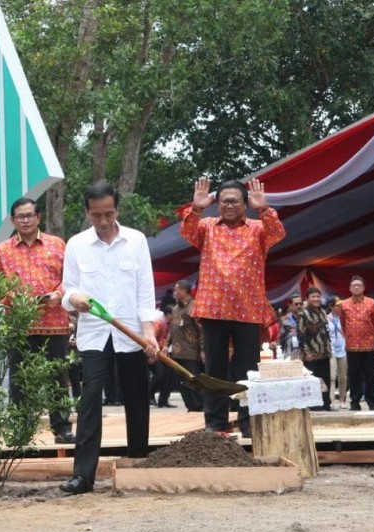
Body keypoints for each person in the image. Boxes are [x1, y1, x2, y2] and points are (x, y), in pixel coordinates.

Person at [59, 184, 159, 495]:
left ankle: (138, 464)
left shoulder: (136, 241)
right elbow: (67, 289)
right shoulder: (77, 244)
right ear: (87, 212)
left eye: (109, 213)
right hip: (94, 334)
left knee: (137, 399)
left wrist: (149, 333)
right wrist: (75, 299)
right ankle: (83, 476)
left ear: (117, 210)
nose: (102, 221)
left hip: (130, 333)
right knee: (90, 402)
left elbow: (146, 292)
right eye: (96, 215)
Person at [181, 177, 285, 435]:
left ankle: (248, 422)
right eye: (224, 201)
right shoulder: (206, 226)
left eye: (234, 201)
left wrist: (264, 208)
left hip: (248, 310)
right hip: (213, 310)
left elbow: (278, 233)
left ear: (245, 204)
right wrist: (196, 208)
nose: (229, 205)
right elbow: (186, 232)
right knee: (214, 369)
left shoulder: (259, 228)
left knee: (247, 369)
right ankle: (215, 423)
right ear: (218, 204)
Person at [0, 197, 74, 443]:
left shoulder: (58, 245)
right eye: (20, 216)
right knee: (20, 379)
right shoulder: (2, 251)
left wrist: (58, 294)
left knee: (57, 378)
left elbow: (70, 276)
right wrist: (14, 299)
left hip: (55, 323)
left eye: (29, 215)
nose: (25, 220)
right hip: (19, 326)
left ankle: (62, 429)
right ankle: (21, 430)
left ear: (38, 217)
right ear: (12, 220)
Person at [340, 276, 374, 411]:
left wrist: (368, 335)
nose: (356, 287)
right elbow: (343, 324)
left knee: (370, 375)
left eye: (359, 285)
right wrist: (351, 336)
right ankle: (355, 402)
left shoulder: (372, 303)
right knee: (354, 376)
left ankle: (372, 402)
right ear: (350, 288)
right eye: (354, 285)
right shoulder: (344, 304)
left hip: (368, 344)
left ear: (363, 287)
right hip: (352, 345)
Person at [166, 280, 204, 412]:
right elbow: (172, 328)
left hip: (191, 351)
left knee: (193, 379)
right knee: (179, 381)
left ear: (183, 291)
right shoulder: (175, 309)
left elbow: (201, 329)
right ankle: (191, 406)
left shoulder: (194, 307)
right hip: (177, 351)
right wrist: (166, 345)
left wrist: (203, 350)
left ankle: (200, 405)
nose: (174, 293)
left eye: (176, 290)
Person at [297, 287, 332, 410]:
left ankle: (326, 404)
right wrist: (307, 353)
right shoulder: (303, 314)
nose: (316, 299)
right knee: (314, 381)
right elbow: (301, 336)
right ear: (307, 298)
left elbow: (325, 332)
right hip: (311, 354)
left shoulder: (323, 312)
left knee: (326, 378)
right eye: (313, 296)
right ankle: (314, 406)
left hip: (324, 352)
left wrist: (328, 349)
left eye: (318, 296)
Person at [327, 299, 348, 408]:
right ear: (331, 307)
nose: (340, 308)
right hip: (331, 350)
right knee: (331, 376)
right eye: (337, 306)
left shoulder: (344, 318)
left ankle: (342, 400)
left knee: (343, 376)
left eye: (341, 306)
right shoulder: (326, 319)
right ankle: (331, 400)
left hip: (343, 349)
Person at [279, 293, 303, 360]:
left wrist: (298, 332)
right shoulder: (284, 319)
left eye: (300, 304)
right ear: (290, 305)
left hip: (304, 354)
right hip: (290, 353)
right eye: (296, 304)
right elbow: (281, 337)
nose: (299, 306)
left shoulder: (306, 318)